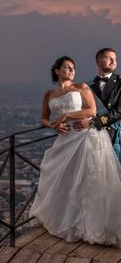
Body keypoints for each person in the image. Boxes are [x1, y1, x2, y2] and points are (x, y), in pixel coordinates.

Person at [30, 56, 121, 246]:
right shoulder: (49, 94)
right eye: (66, 67)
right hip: (65, 139)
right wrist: (53, 126)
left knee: (89, 181)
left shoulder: (81, 88)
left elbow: (92, 111)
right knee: (68, 179)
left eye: (73, 68)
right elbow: (44, 119)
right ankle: (71, 222)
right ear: (57, 70)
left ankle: (92, 226)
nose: (71, 71)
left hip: (85, 136)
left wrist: (67, 114)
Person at [72, 48, 121, 161]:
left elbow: (119, 112)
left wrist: (92, 122)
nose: (113, 62)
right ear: (98, 62)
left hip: (114, 136)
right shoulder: (88, 86)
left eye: (115, 59)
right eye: (109, 58)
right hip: (93, 138)